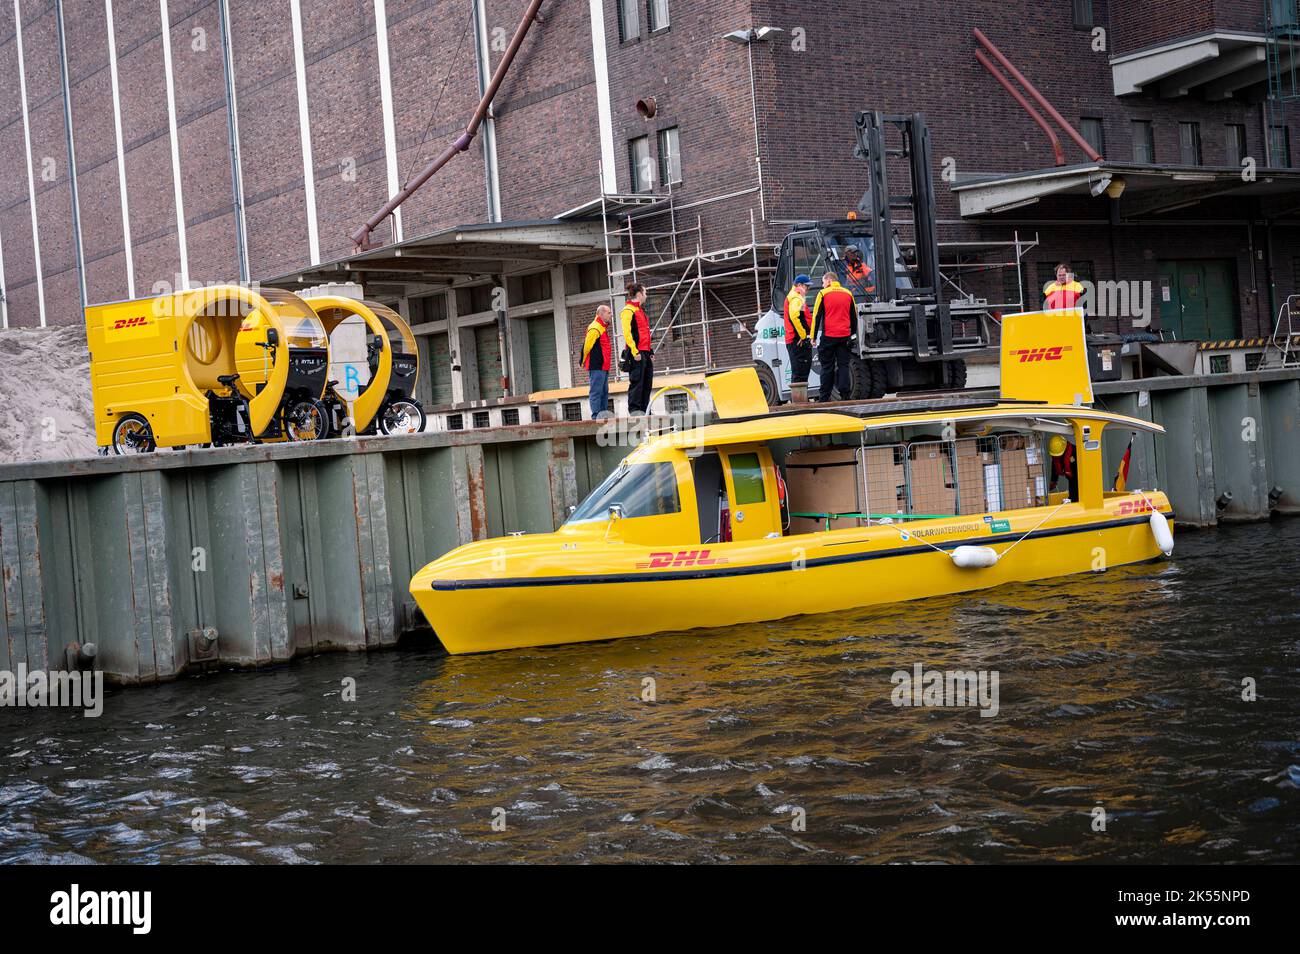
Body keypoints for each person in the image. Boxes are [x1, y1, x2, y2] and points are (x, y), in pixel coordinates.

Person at [811, 271, 856, 402]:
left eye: (823, 282)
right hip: (845, 337)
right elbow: (854, 317)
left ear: (829, 281)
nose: (822, 285)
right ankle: (845, 396)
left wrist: (813, 336)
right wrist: (853, 336)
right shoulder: (848, 293)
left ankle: (824, 398)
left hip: (829, 337)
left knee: (827, 367)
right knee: (843, 366)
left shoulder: (823, 294)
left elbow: (816, 316)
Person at [620, 282, 654, 414]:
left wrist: (650, 351)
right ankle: (635, 410)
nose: (646, 296)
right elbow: (627, 334)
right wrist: (635, 352)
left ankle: (645, 410)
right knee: (637, 383)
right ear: (639, 294)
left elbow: (644, 333)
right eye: (645, 293)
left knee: (647, 383)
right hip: (636, 353)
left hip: (644, 352)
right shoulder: (628, 310)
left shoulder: (640, 310)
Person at [580, 304, 613, 418]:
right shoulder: (595, 327)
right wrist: (583, 360)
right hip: (597, 366)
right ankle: (596, 417)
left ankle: (602, 415)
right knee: (596, 392)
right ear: (601, 314)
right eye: (609, 313)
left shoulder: (601, 327)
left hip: (603, 366)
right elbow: (587, 346)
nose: (611, 315)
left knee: (603, 392)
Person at [784, 274, 814, 389]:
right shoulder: (796, 297)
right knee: (800, 372)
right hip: (797, 340)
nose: (808, 289)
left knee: (799, 372)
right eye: (807, 287)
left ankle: (799, 401)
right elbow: (794, 317)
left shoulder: (795, 296)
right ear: (800, 285)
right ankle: (799, 402)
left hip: (795, 339)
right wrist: (802, 335)